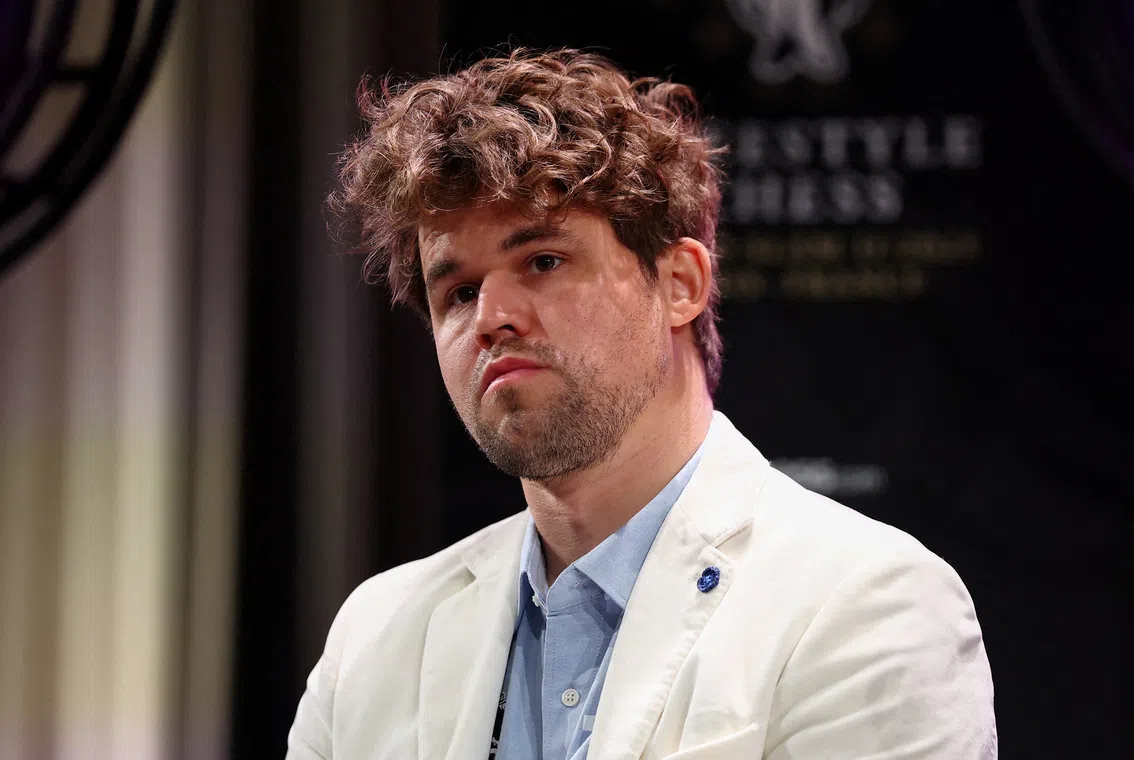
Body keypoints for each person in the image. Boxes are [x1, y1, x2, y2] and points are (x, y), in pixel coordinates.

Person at [285, 48, 996, 759]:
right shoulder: (375, 637)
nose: (492, 316)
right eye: (459, 292)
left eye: (543, 261)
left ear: (681, 281)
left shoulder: (868, 603)